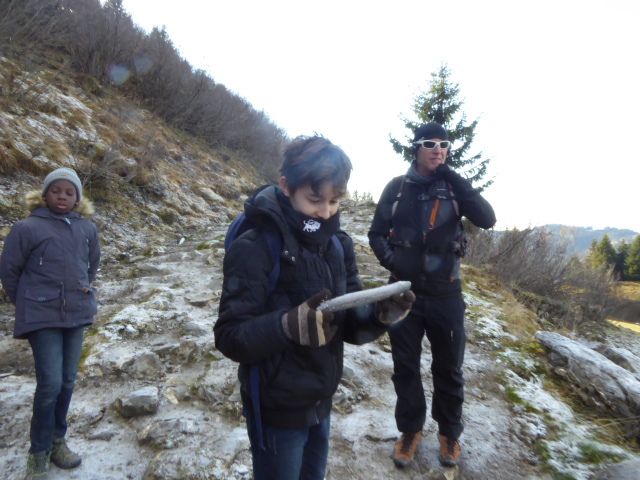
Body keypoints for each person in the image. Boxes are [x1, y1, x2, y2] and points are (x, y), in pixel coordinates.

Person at [214, 135, 415, 480]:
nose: (325, 212)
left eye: (335, 201)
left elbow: (350, 324)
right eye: (314, 199)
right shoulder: (256, 246)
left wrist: (381, 314)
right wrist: (287, 326)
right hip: (276, 409)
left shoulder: (337, 245)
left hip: (321, 398)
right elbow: (230, 335)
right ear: (286, 187)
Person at [368, 122, 496, 468]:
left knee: (449, 368)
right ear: (416, 148)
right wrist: (393, 261)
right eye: (429, 143)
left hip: (447, 295)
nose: (438, 149)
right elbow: (376, 233)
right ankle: (410, 431)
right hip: (402, 294)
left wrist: (452, 176)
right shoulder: (396, 189)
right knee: (405, 367)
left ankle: (449, 433)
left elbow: (487, 218)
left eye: (444, 144)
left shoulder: (454, 189)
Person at [0, 167, 100, 480]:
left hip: (76, 313)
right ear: (45, 194)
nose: (62, 196)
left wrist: (81, 291)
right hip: (42, 317)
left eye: (69, 192)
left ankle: (58, 440)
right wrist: (28, 303)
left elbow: (91, 264)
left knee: (68, 380)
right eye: (56, 191)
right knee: (50, 384)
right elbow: (9, 271)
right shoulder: (27, 227)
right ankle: (38, 451)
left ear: (77, 198)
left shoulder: (86, 229)